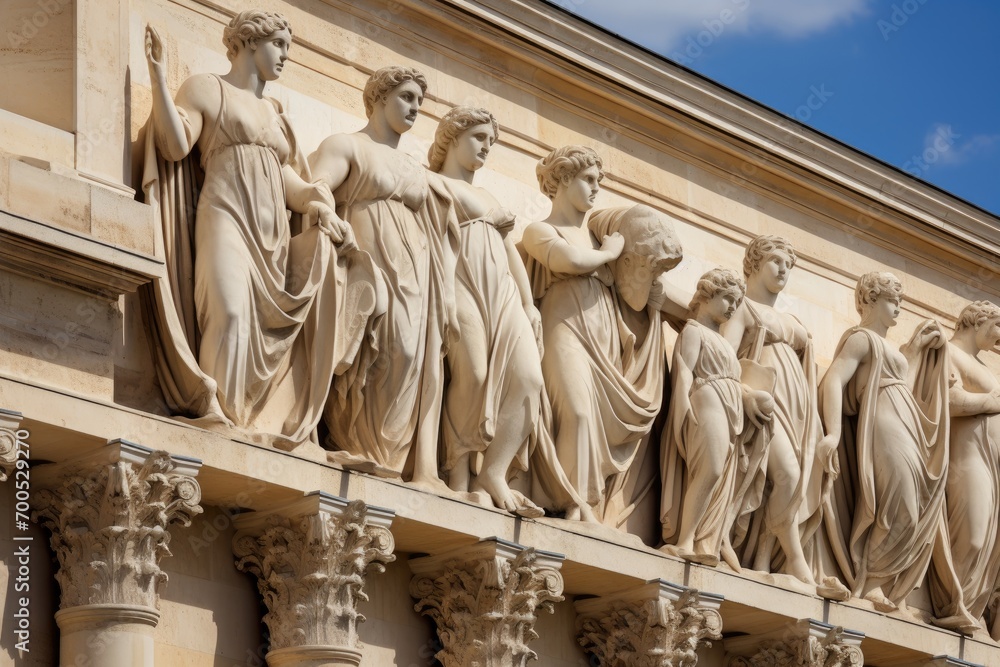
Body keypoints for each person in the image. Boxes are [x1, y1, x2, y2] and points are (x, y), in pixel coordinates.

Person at [142, 11, 379, 448]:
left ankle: (248, 417)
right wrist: (157, 76)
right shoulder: (208, 88)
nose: (286, 56)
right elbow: (174, 145)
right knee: (229, 312)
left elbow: (288, 180)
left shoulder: (275, 114)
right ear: (250, 42)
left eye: (288, 46)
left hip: (272, 242)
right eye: (279, 44)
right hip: (226, 217)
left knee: (257, 326)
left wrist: (317, 203)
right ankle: (217, 408)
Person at [521, 146, 685, 525]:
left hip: (605, 342)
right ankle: (570, 501)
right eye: (588, 180)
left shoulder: (602, 240)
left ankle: (583, 506)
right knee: (577, 412)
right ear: (562, 179)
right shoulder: (542, 230)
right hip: (564, 328)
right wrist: (610, 253)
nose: (596, 189)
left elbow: (647, 290)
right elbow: (568, 262)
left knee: (591, 420)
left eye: (599, 181)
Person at [309, 66, 451, 492]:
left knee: (410, 354)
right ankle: (352, 439)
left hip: (415, 273)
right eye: (406, 97)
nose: (414, 109)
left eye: (420, 102)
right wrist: (327, 214)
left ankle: (389, 458)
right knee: (374, 348)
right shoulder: (347, 145)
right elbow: (316, 187)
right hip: (367, 263)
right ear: (378, 98)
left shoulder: (414, 168)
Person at [818, 272, 956, 615]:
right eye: (892, 301)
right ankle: (872, 582)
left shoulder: (891, 350)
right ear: (869, 301)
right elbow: (834, 379)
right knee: (901, 503)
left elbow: (901, 382)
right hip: (884, 424)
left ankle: (882, 580)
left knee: (912, 505)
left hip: (904, 423)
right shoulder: (861, 338)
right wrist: (832, 433)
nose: (898, 309)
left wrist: (915, 349)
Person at [722, 236, 849, 598]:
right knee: (787, 475)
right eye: (776, 261)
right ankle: (795, 559)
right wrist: (745, 395)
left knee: (793, 479)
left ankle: (764, 559)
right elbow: (725, 358)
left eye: (789, 265)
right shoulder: (743, 308)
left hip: (799, 412)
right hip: (765, 404)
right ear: (755, 263)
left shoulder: (792, 320)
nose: (783, 270)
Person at [660, 268, 773, 566]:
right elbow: (685, 368)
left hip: (729, 406)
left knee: (720, 472)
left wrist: (748, 397)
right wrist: (682, 404)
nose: (733, 307)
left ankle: (704, 541)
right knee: (710, 468)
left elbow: (733, 379)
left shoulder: (723, 341)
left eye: (737, 301)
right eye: (727, 298)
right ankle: (685, 540)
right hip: (706, 398)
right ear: (707, 295)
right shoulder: (694, 330)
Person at [929, 300, 1000, 635]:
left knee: (988, 541)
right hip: (967, 459)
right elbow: (944, 399)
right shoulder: (946, 349)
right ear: (976, 320)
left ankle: (970, 607)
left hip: (993, 466)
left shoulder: (985, 368)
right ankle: (950, 602)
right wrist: (989, 402)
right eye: (997, 326)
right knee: (971, 536)